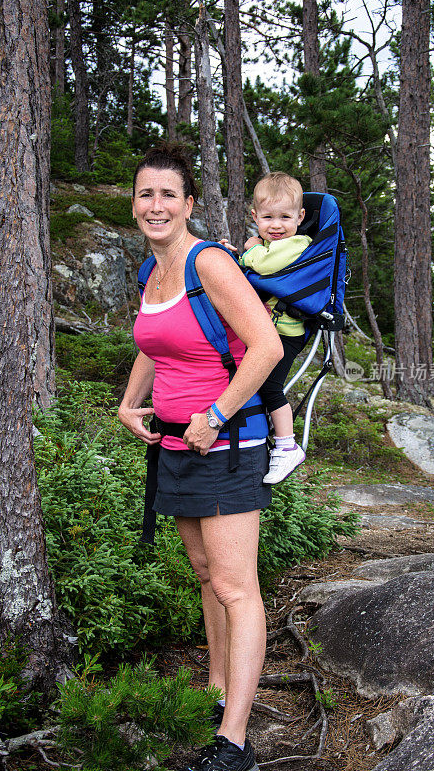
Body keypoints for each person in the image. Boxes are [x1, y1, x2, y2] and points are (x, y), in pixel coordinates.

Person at [118, 143, 283, 771]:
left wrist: (215, 416)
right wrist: (132, 402)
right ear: (135, 204)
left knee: (237, 586)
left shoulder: (207, 262)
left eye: (168, 194)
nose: (155, 205)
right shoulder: (152, 271)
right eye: (145, 193)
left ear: (190, 204)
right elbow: (154, 341)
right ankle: (216, 692)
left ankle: (234, 741)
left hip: (227, 440)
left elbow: (264, 347)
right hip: (176, 443)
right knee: (205, 573)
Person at [225, 172, 311, 485]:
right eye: (268, 217)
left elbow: (263, 265)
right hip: (265, 332)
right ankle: (265, 439)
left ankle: (288, 446)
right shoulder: (266, 245)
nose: (276, 225)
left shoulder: (299, 244)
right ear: (255, 216)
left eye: (285, 217)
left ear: (300, 218)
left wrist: (248, 249)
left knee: (270, 387)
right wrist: (234, 256)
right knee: (252, 383)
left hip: (286, 334)